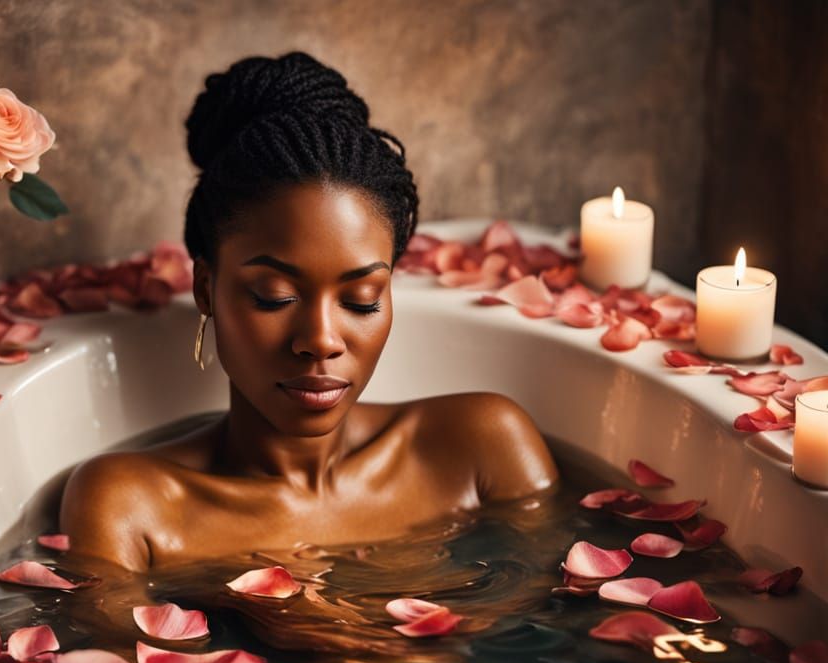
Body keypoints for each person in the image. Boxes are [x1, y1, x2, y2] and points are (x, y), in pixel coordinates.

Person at [60, 51, 558, 573]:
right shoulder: (130, 506)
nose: (321, 339)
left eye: (361, 299)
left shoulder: (482, 446)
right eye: (274, 296)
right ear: (206, 289)